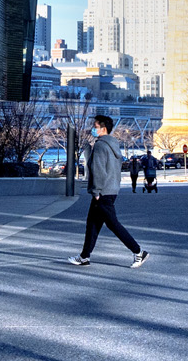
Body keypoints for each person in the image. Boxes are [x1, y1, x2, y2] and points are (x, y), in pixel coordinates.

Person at [68, 115, 147, 268]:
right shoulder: (113, 145)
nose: (93, 129)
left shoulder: (100, 146)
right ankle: (84, 256)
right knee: (93, 224)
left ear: (103, 128)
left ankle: (138, 252)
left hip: (102, 191)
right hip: (111, 189)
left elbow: (98, 170)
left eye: (95, 126)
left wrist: (96, 191)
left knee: (113, 224)